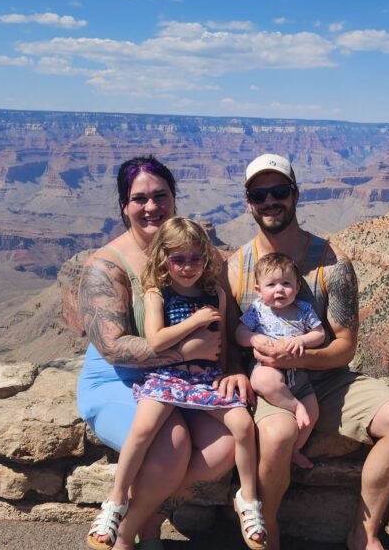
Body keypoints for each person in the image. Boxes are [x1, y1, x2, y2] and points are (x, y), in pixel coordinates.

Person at [224, 153, 389, 550]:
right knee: (279, 435)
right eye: (259, 194)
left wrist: (300, 358)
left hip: (326, 380)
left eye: (279, 191)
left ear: (295, 195)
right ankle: (270, 527)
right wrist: (239, 368)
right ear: (249, 202)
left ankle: (363, 533)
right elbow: (232, 335)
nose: (270, 201)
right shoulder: (234, 267)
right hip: (270, 387)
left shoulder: (332, 264)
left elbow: (344, 346)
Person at [76, 156, 251, 550]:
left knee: (223, 447)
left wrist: (233, 366)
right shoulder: (106, 266)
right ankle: (125, 536)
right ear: (124, 206)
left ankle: (143, 518)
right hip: (117, 379)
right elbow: (112, 347)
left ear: (174, 199)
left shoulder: (199, 257)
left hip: (186, 379)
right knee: (171, 447)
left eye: (160, 196)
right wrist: (187, 351)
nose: (151, 207)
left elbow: (227, 319)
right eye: (139, 199)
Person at [234, 251, 324, 469]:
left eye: (286, 283)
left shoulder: (303, 310)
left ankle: (295, 450)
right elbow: (239, 333)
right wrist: (254, 339)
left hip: (299, 375)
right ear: (258, 290)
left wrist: (303, 340)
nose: (279, 289)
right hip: (268, 368)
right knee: (263, 381)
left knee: (313, 412)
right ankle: (294, 407)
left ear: (297, 287)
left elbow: (319, 334)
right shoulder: (258, 310)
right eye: (271, 284)